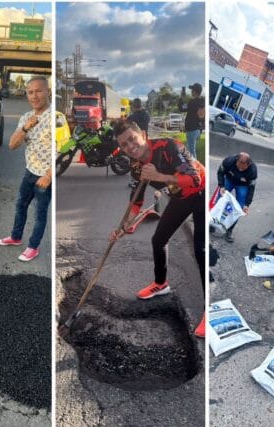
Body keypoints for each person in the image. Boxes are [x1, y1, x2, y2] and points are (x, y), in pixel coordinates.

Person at [109, 119, 205, 299]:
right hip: (180, 198)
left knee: (201, 250)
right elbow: (136, 203)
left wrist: (158, 176)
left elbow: (195, 179)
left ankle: (208, 308)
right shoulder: (137, 167)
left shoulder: (168, 146)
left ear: (143, 135)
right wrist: (122, 227)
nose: (130, 146)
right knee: (158, 240)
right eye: (124, 144)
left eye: (132, 139)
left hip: (201, 193)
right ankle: (161, 284)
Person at [0, 76, 52, 262]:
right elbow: (12, 144)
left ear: (48, 92)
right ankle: (16, 237)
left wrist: (49, 175)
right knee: (21, 205)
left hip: (45, 177)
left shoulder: (55, 118)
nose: (34, 96)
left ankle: (33, 247)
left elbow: (63, 149)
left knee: (39, 214)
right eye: (30, 92)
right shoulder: (26, 118)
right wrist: (26, 128)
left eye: (39, 91)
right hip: (30, 172)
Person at [216, 152, 257, 242]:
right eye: (238, 167)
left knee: (239, 208)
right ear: (236, 160)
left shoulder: (252, 171)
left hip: (243, 185)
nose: (240, 170)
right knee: (219, 200)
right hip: (229, 180)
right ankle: (212, 221)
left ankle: (229, 230)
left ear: (249, 164)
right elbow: (220, 172)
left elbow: (251, 188)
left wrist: (247, 204)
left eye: (243, 168)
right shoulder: (229, 161)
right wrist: (221, 186)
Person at [181, 83, 205, 158]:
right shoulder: (202, 102)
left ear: (195, 91)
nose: (191, 92)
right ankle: (189, 165)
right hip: (197, 129)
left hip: (192, 129)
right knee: (189, 149)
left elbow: (182, 108)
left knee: (191, 151)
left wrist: (181, 98)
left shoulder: (193, 102)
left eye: (192, 90)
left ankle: (195, 168)